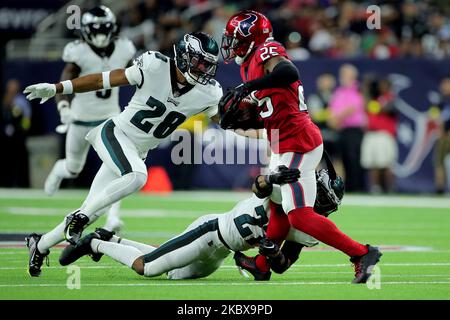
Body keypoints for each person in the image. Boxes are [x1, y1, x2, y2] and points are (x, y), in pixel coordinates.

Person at [23, 31, 223, 277]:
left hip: (136, 150)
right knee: (137, 176)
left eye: (208, 64)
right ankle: (80, 217)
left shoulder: (209, 93)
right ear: (183, 56)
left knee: (94, 208)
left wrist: (265, 125)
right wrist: (57, 89)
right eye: (199, 61)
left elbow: (226, 120)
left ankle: (39, 244)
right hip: (115, 134)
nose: (203, 69)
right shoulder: (154, 65)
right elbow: (102, 80)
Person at [219, 10, 381, 284]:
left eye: (235, 39)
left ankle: (362, 253)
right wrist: (240, 120)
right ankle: (261, 265)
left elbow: (288, 71)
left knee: (301, 217)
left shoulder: (265, 51)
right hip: (283, 141)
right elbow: (272, 107)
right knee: (277, 205)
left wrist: (249, 88)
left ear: (251, 38)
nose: (231, 45)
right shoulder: (247, 64)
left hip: (297, 141)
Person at [58, 167, 319, 280]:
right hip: (209, 232)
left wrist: (274, 255)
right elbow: (258, 185)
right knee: (147, 268)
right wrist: (272, 178)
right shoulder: (283, 194)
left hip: (219, 254)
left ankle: (111, 239)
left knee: (170, 270)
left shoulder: (306, 229)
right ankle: (95, 243)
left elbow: (282, 266)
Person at [45, 6, 136, 232]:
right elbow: (66, 79)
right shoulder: (78, 52)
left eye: (105, 28)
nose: (101, 33)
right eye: (96, 29)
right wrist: (64, 106)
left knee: (118, 168)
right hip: (80, 119)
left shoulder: (124, 48)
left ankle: (113, 217)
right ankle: (60, 169)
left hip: (110, 119)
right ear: (85, 30)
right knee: (73, 168)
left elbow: (138, 76)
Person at [328, 64, 367, 192]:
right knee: (344, 159)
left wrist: (337, 118)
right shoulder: (339, 92)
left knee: (354, 158)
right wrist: (333, 119)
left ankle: (358, 187)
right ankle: (350, 187)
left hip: (354, 130)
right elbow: (332, 109)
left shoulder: (358, 89)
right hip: (342, 130)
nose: (342, 77)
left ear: (352, 76)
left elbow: (353, 108)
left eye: (345, 74)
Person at [361, 78, 398, 193]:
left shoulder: (390, 98)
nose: (382, 87)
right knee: (373, 164)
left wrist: (377, 106)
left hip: (384, 134)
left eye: (385, 85)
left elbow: (390, 109)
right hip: (371, 134)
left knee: (387, 163)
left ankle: (390, 187)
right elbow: (367, 106)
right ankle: (376, 187)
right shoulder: (374, 99)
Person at [0, 79, 32, 187]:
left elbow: (26, 118)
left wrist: (22, 130)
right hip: (5, 138)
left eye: (14, 87)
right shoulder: (5, 99)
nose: (12, 89)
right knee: (7, 162)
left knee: (20, 162)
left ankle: (23, 185)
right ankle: (6, 184)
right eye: (10, 87)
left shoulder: (21, 101)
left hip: (18, 137)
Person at [434, 77, 450, 193]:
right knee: (439, 161)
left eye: (446, 84)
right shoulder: (441, 101)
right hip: (443, 136)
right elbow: (438, 118)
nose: (443, 86)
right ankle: (440, 188)